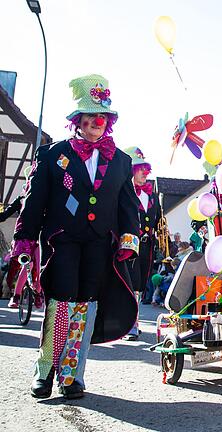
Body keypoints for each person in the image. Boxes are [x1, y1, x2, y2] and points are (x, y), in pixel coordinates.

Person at [11, 74, 140, 399]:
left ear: (108, 122)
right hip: (62, 241)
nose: (97, 123)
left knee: (86, 307)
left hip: (99, 243)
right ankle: (45, 371)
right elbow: (34, 199)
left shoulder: (121, 161)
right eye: (90, 116)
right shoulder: (52, 155)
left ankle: (71, 376)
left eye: (103, 117)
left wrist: (129, 238)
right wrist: (25, 237)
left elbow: (128, 206)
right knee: (62, 304)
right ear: (77, 121)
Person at [124, 147, 162, 338]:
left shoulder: (153, 196)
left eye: (146, 168)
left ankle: (132, 321)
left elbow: (158, 222)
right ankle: (130, 323)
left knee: (138, 284)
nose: (144, 172)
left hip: (147, 246)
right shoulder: (125, 192)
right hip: (128, 245)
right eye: (140, 168)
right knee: (129, 283)